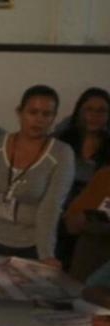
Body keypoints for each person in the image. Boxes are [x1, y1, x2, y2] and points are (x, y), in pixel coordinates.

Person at [0, 85, 74, 265]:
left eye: (46, 114)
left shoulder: (61, 153)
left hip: (32, 246)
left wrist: (46, 253)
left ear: (53, 118)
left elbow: (51, 207)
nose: (38, 120)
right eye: (33, 112)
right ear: (20, 112)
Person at [55, 87, 110, 266]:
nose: (94, 116)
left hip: (94, 228)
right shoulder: (61, 143)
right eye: (89, 110)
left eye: (101, 111)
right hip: (57, 221)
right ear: (79, 111)